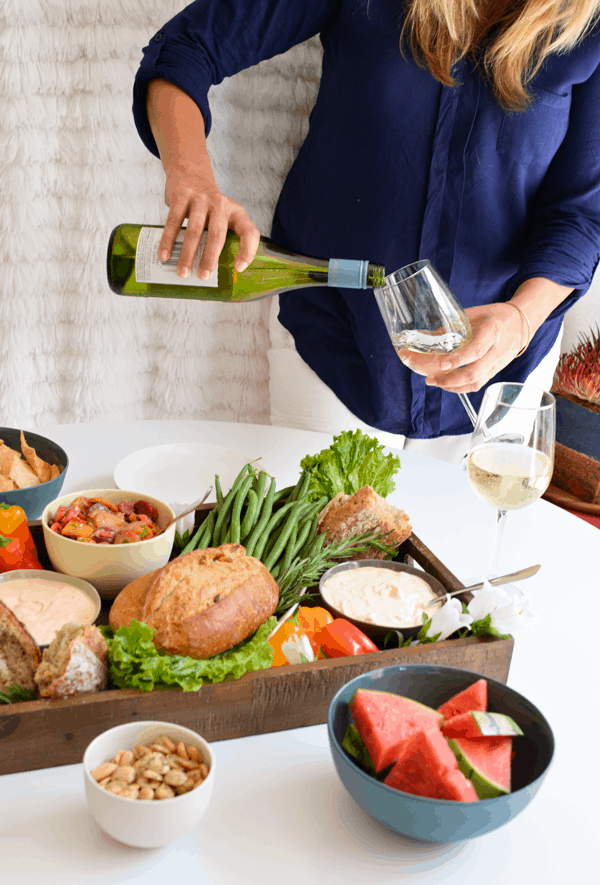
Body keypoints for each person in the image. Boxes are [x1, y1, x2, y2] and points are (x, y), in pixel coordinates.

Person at [131, 0, 600, 462]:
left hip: (504, 368)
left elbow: (582, 214)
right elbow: (187, 46)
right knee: (312, 536)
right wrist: (191, 177)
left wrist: (520, 321)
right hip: (335, 338)